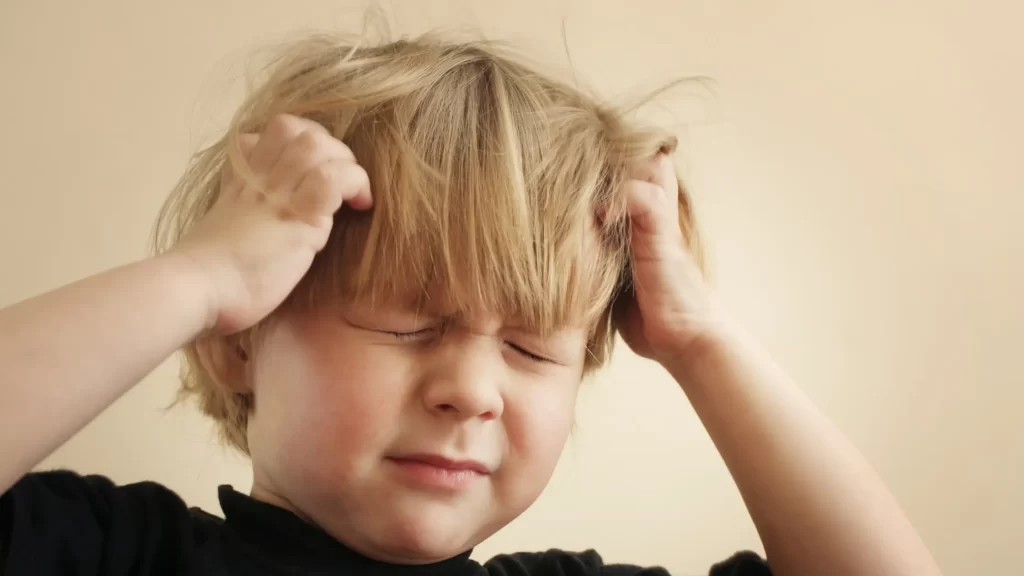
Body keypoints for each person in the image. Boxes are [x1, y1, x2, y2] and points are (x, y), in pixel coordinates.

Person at [0, 32, 941, 576]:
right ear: (239, 343)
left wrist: (699, 339)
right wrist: (202, 279)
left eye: (534, 350)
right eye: (410, 324)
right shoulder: (107, 555)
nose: (473, 391)